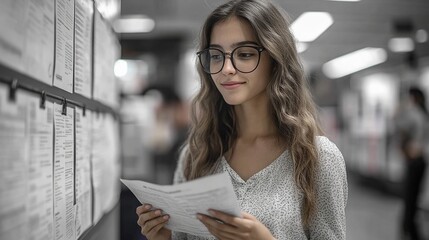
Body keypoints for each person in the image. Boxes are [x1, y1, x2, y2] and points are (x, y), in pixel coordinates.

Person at [136, 0, 348, 239]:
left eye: (245, 54)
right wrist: (163, 237)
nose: (226, 68)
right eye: (216, 56)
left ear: (276, 60)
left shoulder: (318, 157)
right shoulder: (197, 154)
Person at [395, 86, 428, 240]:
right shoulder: (423, 114)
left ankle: (408, 230)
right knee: (413, 197)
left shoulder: (412, 114)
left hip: (414, 160)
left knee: (409, 198)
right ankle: (411, 229)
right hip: (421, 161)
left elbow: (399, 127)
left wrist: (403, 150)